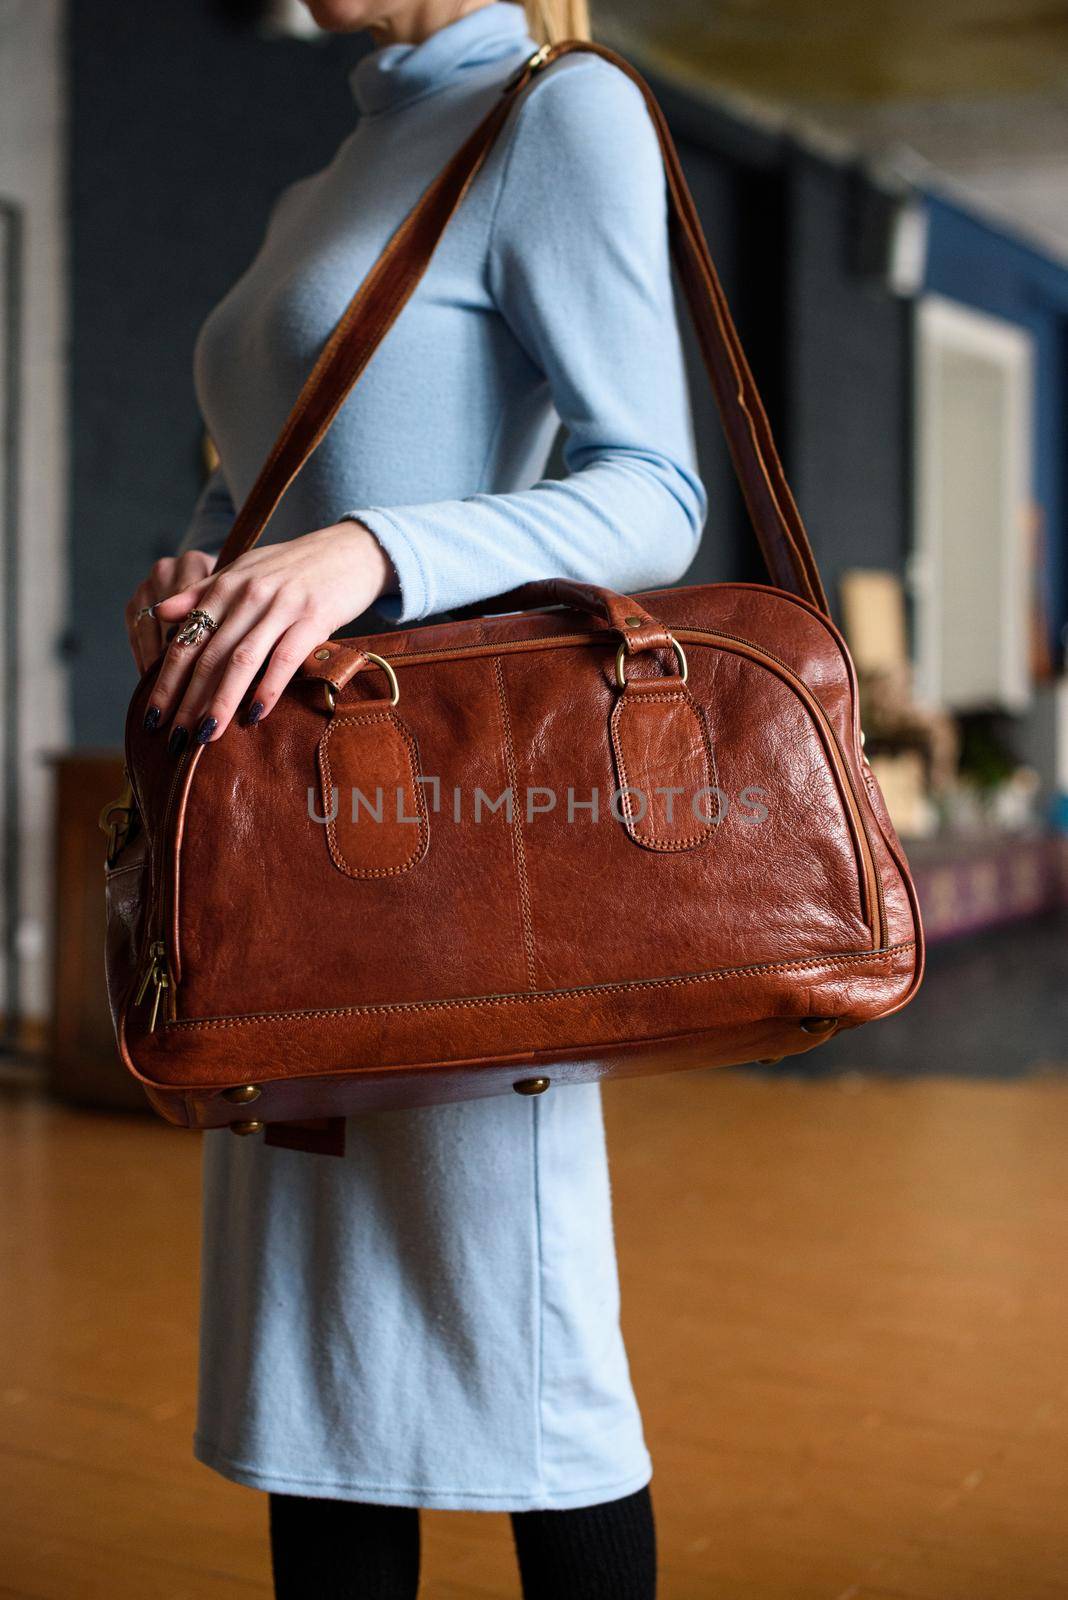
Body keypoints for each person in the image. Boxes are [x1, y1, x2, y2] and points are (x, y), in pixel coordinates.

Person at [124, 2, 706, 1594]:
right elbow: (258, 477)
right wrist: (209, 568)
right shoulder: (321, 180)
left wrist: (374, 555)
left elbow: (652, 490)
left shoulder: (558, 112)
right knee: (322, 1379)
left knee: (530, 1370)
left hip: (457, 847)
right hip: (287, 826)